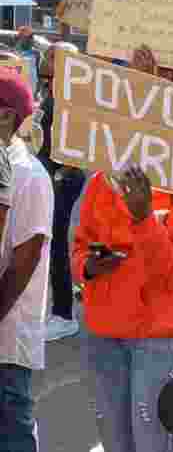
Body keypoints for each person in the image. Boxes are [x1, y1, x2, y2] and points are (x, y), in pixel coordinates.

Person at [72, 52, 173, 452]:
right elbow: (79, 244)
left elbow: (172, 274)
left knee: (155, 442)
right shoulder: (105, 179)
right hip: (105, 330)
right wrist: (88, 265)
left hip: (159, 337)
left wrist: (143, 219)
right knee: (116, 442)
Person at [0, 70, 53, 452]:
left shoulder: (30, 175)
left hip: (6, 336)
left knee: (11, 431)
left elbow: (25, 260)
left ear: (6, 117)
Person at [33, 41, 86, 342]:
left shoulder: (72, 96)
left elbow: (77, 143)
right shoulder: (51, 89)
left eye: (54, 55)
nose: (47, 58)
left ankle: (64, 314)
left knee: (54, 244)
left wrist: (61, 173)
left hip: (62, 177)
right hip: (49, 174)